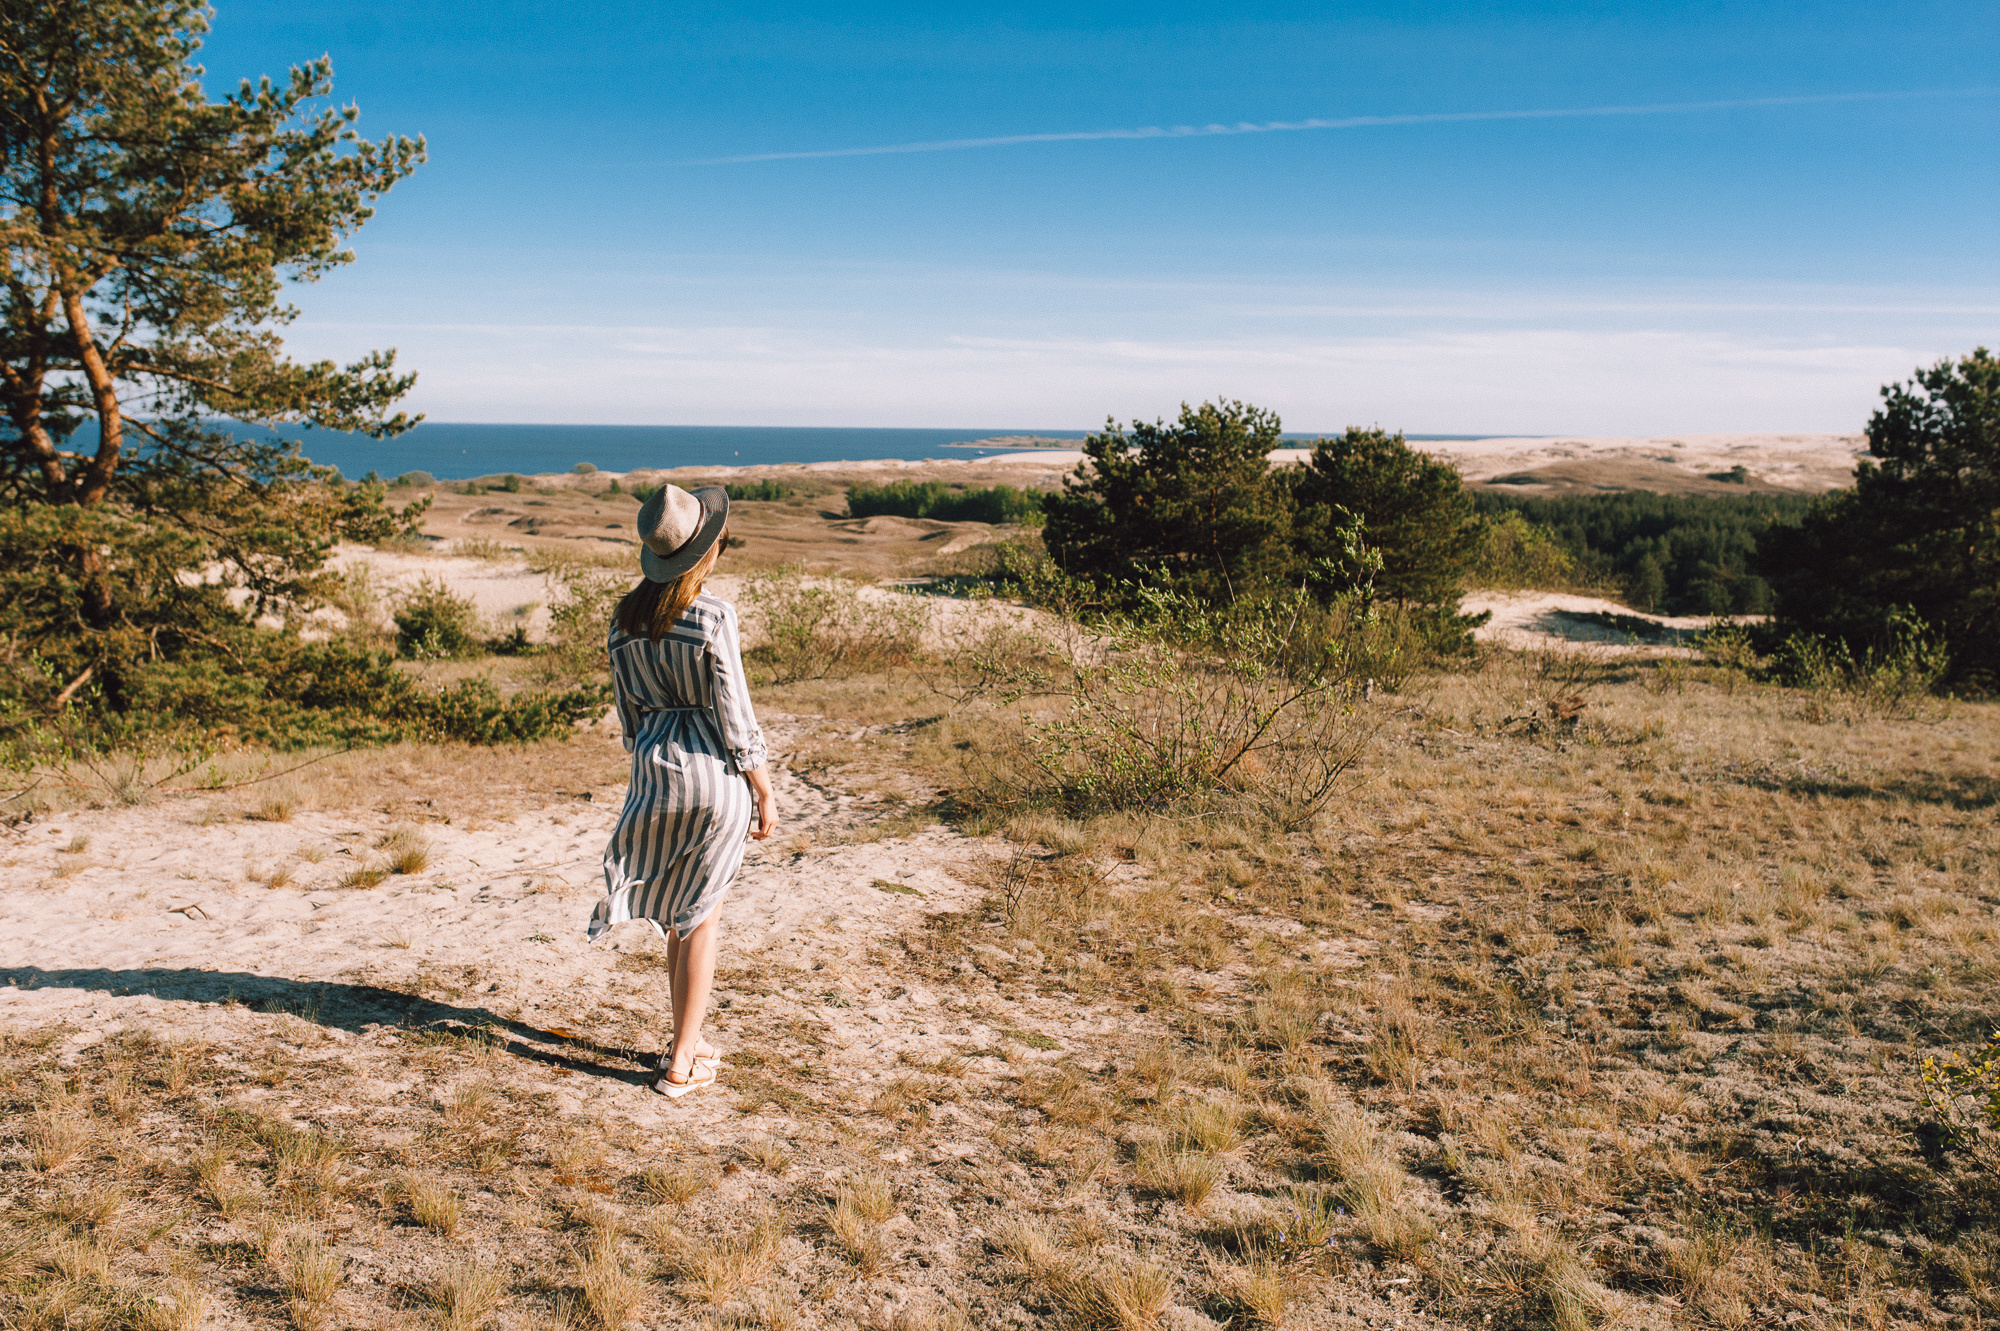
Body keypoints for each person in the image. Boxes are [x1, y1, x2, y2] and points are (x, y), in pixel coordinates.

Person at [588, 483, 777, 1097]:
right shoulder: (713, 616)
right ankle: (681, 1061)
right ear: (704, 550)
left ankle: (684, 1040)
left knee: (680, 917)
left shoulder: (624, 620)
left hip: (655, 772)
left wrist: (652, 762)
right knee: (702, 919)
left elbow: (630, 716)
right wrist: (763, 787)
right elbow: (735, 713)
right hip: (715, 776)